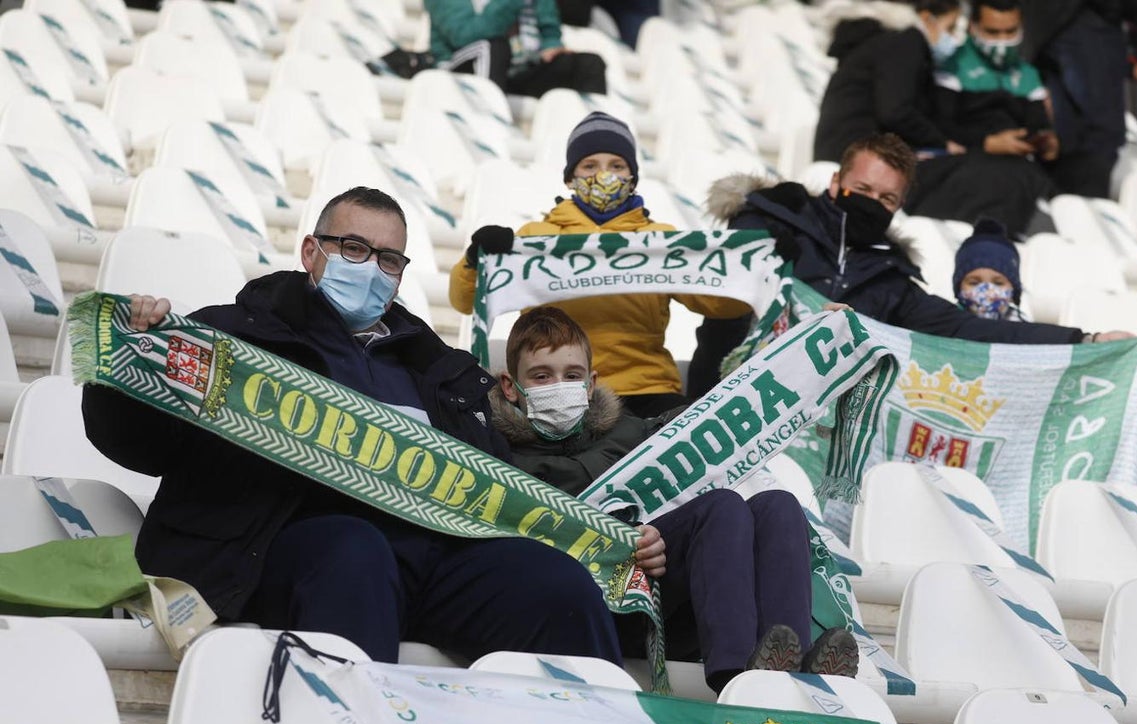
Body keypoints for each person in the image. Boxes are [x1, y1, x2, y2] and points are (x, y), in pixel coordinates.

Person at [81, 187, 623, 667]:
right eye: (354, 249)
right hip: (283, 547)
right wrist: (130, 364)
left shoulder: (441, 370)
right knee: (354, 550)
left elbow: (496, 486)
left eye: (388, 259)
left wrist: (612, 543)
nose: (371, 268)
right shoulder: (233, 338)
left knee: (554, 582)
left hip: (433, 560)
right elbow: (138, 444)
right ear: (310, 252)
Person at [491, 306, 860, 692]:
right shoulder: (494, 452)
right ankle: (738, 677)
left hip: (667, 594)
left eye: (572, 375)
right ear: (510, 386)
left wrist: (813, 343)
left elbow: (724, 414)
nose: (558, 386)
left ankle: (791, 667)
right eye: (541, 376)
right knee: (721, 508)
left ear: (590, 383)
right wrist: (624, 536)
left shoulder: (628, 432)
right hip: (597, 607)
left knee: (778, 505)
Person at [690, 133, 1130, 396]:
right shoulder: (768, 223)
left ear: (899, 205)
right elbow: (720, 289)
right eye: (863, 189)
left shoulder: (891, 281)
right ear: (836, 182)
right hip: (724, 401)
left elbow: (969, 330)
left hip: (808, 429)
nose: (872, 203)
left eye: (886, 198)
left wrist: (1083, 339)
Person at [449, 111, 752, 417]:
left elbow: (723, 304)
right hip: (556, 388)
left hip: (647, 388)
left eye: (617, 166)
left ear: (632, 177)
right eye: (590, 165)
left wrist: (751, 262)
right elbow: (464, 301)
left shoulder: (660, 240)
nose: (604, 175)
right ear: (570, 177)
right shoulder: (535, 238)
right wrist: (476, 258)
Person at [923, 0, 1058, 234]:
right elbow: (938, 126)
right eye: (993, 32)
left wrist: (1047, 143)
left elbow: (1040, 127)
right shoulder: (952, 66)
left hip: (1022, 169)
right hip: (967, 163)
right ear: (973, 27)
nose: (1002, 41)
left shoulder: (1028, 75)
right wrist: (986, 143)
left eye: (1010, 31)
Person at [1021, 0, 1137, 198]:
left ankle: (1070, 197)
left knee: (1073, 131)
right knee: (1097, 133)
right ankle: (1082, 202)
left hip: (1057, 24)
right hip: (1081, 20)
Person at [814, 0, 966, 164]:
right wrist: (942, 142)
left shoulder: (879, 42)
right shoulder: (904, 41)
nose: (954, 38)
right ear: (927, 18)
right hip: (857, 158)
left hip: (846, 152)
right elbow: (895, 112)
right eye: (950, 28)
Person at [425, 0, 607, 97]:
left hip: (521, 67)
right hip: (460, 69)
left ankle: (596, 142)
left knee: (589, 64)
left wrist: (552, 46)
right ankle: (490, 119)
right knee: (494, 48)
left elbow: (549, 28)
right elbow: (463, 36)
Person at [953, 218, 1027, 320]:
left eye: (998, 283)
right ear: (959, 289)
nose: (987, 291)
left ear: (1014, 291)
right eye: (974, 283)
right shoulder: (946, 323)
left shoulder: (1022, 327)